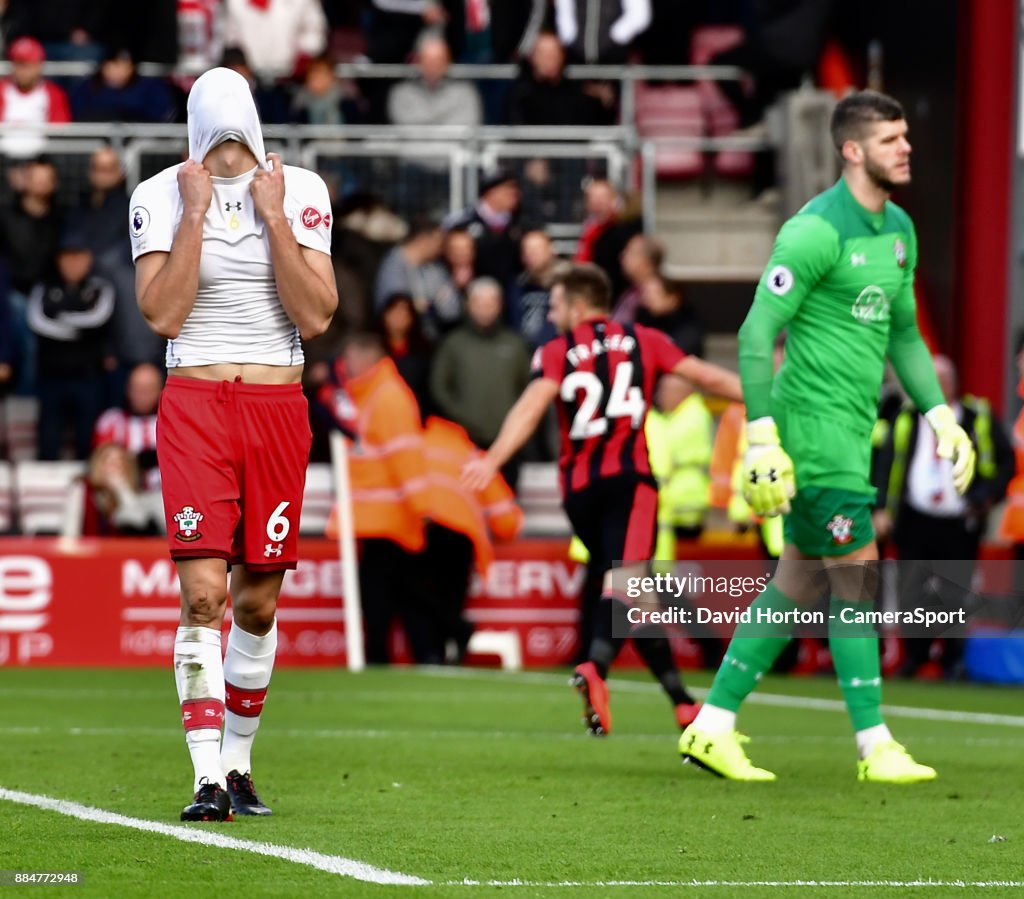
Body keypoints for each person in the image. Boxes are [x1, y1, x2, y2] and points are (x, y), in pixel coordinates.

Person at [678, 90, 976, 783]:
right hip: (811, 435)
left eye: (906, 135)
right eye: (890, 139)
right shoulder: (814, 230)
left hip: (850, 430)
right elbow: (755, 332)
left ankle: (713, 725)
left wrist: (939, 416)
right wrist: (760, 437)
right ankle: (876, 745)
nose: (906, 148)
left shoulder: (898, 228)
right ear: (852, 150)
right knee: (857, 577)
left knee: (797, 581)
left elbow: (903, 332)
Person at [130, 67, 338, 821]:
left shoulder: (302, 190)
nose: (224, 131)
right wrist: (193, 217)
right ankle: (206, 777)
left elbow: (316, 316)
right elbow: (163, 313)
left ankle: (241, 764)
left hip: (277, 404)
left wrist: (273, 217)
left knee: (255, 603)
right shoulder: (158, 194)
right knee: (204, 594)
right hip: (196, 401)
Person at [463, 263, 743, 734]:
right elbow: (708, 378)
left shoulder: (556, 351)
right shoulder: (644, 340)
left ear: (577, 305)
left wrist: (492, 459)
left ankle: (681, 702)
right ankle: (596, 665)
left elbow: (532, 406)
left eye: (554, 306)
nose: (552, 316)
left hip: (578, 493)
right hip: (629, 484)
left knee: (639, 593)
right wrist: (772, 399)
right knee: (629, 583)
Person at [872, 355, 1012, 680]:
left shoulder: (977, 417)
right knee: (911, 592)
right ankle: (915, 657)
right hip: (914, 519)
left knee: (955, 592)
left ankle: (952, 660)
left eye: (941, 379)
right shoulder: (906, 417)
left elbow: (1003, 463)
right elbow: (885, 464)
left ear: (953, 383)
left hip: (959, 521)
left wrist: (983, 498)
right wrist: (881, 507)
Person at [430, 277, 531, 488]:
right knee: (467, 504)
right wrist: (463, 419)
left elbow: (529, 389)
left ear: (500, 305)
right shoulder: (453, 344)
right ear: (469, 305)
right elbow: (439, 388)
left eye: (490, 303)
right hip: (464, 441)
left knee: (507, 505)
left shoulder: (515, 344)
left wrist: (513, 421)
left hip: (506, 442)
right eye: (479, 303)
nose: (485, 309)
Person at [27, 229, 115, 461]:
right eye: (68, 256)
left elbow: (98, 319)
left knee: (88, 440)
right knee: (48, 438)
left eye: (79, 256)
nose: (73, 262)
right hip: (52, 377)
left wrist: (61, 317)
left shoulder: (100, 288)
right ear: (59, 260)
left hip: (89, 377)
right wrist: (78, 328)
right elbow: (37, 322)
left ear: (89, 259)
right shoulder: (44, 287)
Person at [93, 361, 163, 489]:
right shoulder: (111, 421)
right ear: (128, 389)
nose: (142, 395)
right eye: (138, 388)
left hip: (164, 498)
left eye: (148, 389)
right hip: (121, 499)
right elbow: (101, 462)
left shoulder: (173, 424)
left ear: (160, 391)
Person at [0, 37, 71, 160]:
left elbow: (60, 130)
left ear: (39, 65)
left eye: (27, 64)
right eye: (18, 64)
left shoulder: (53, 93)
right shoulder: (2, 90)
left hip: (42, 159)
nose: (22, 70)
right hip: (3, 159)